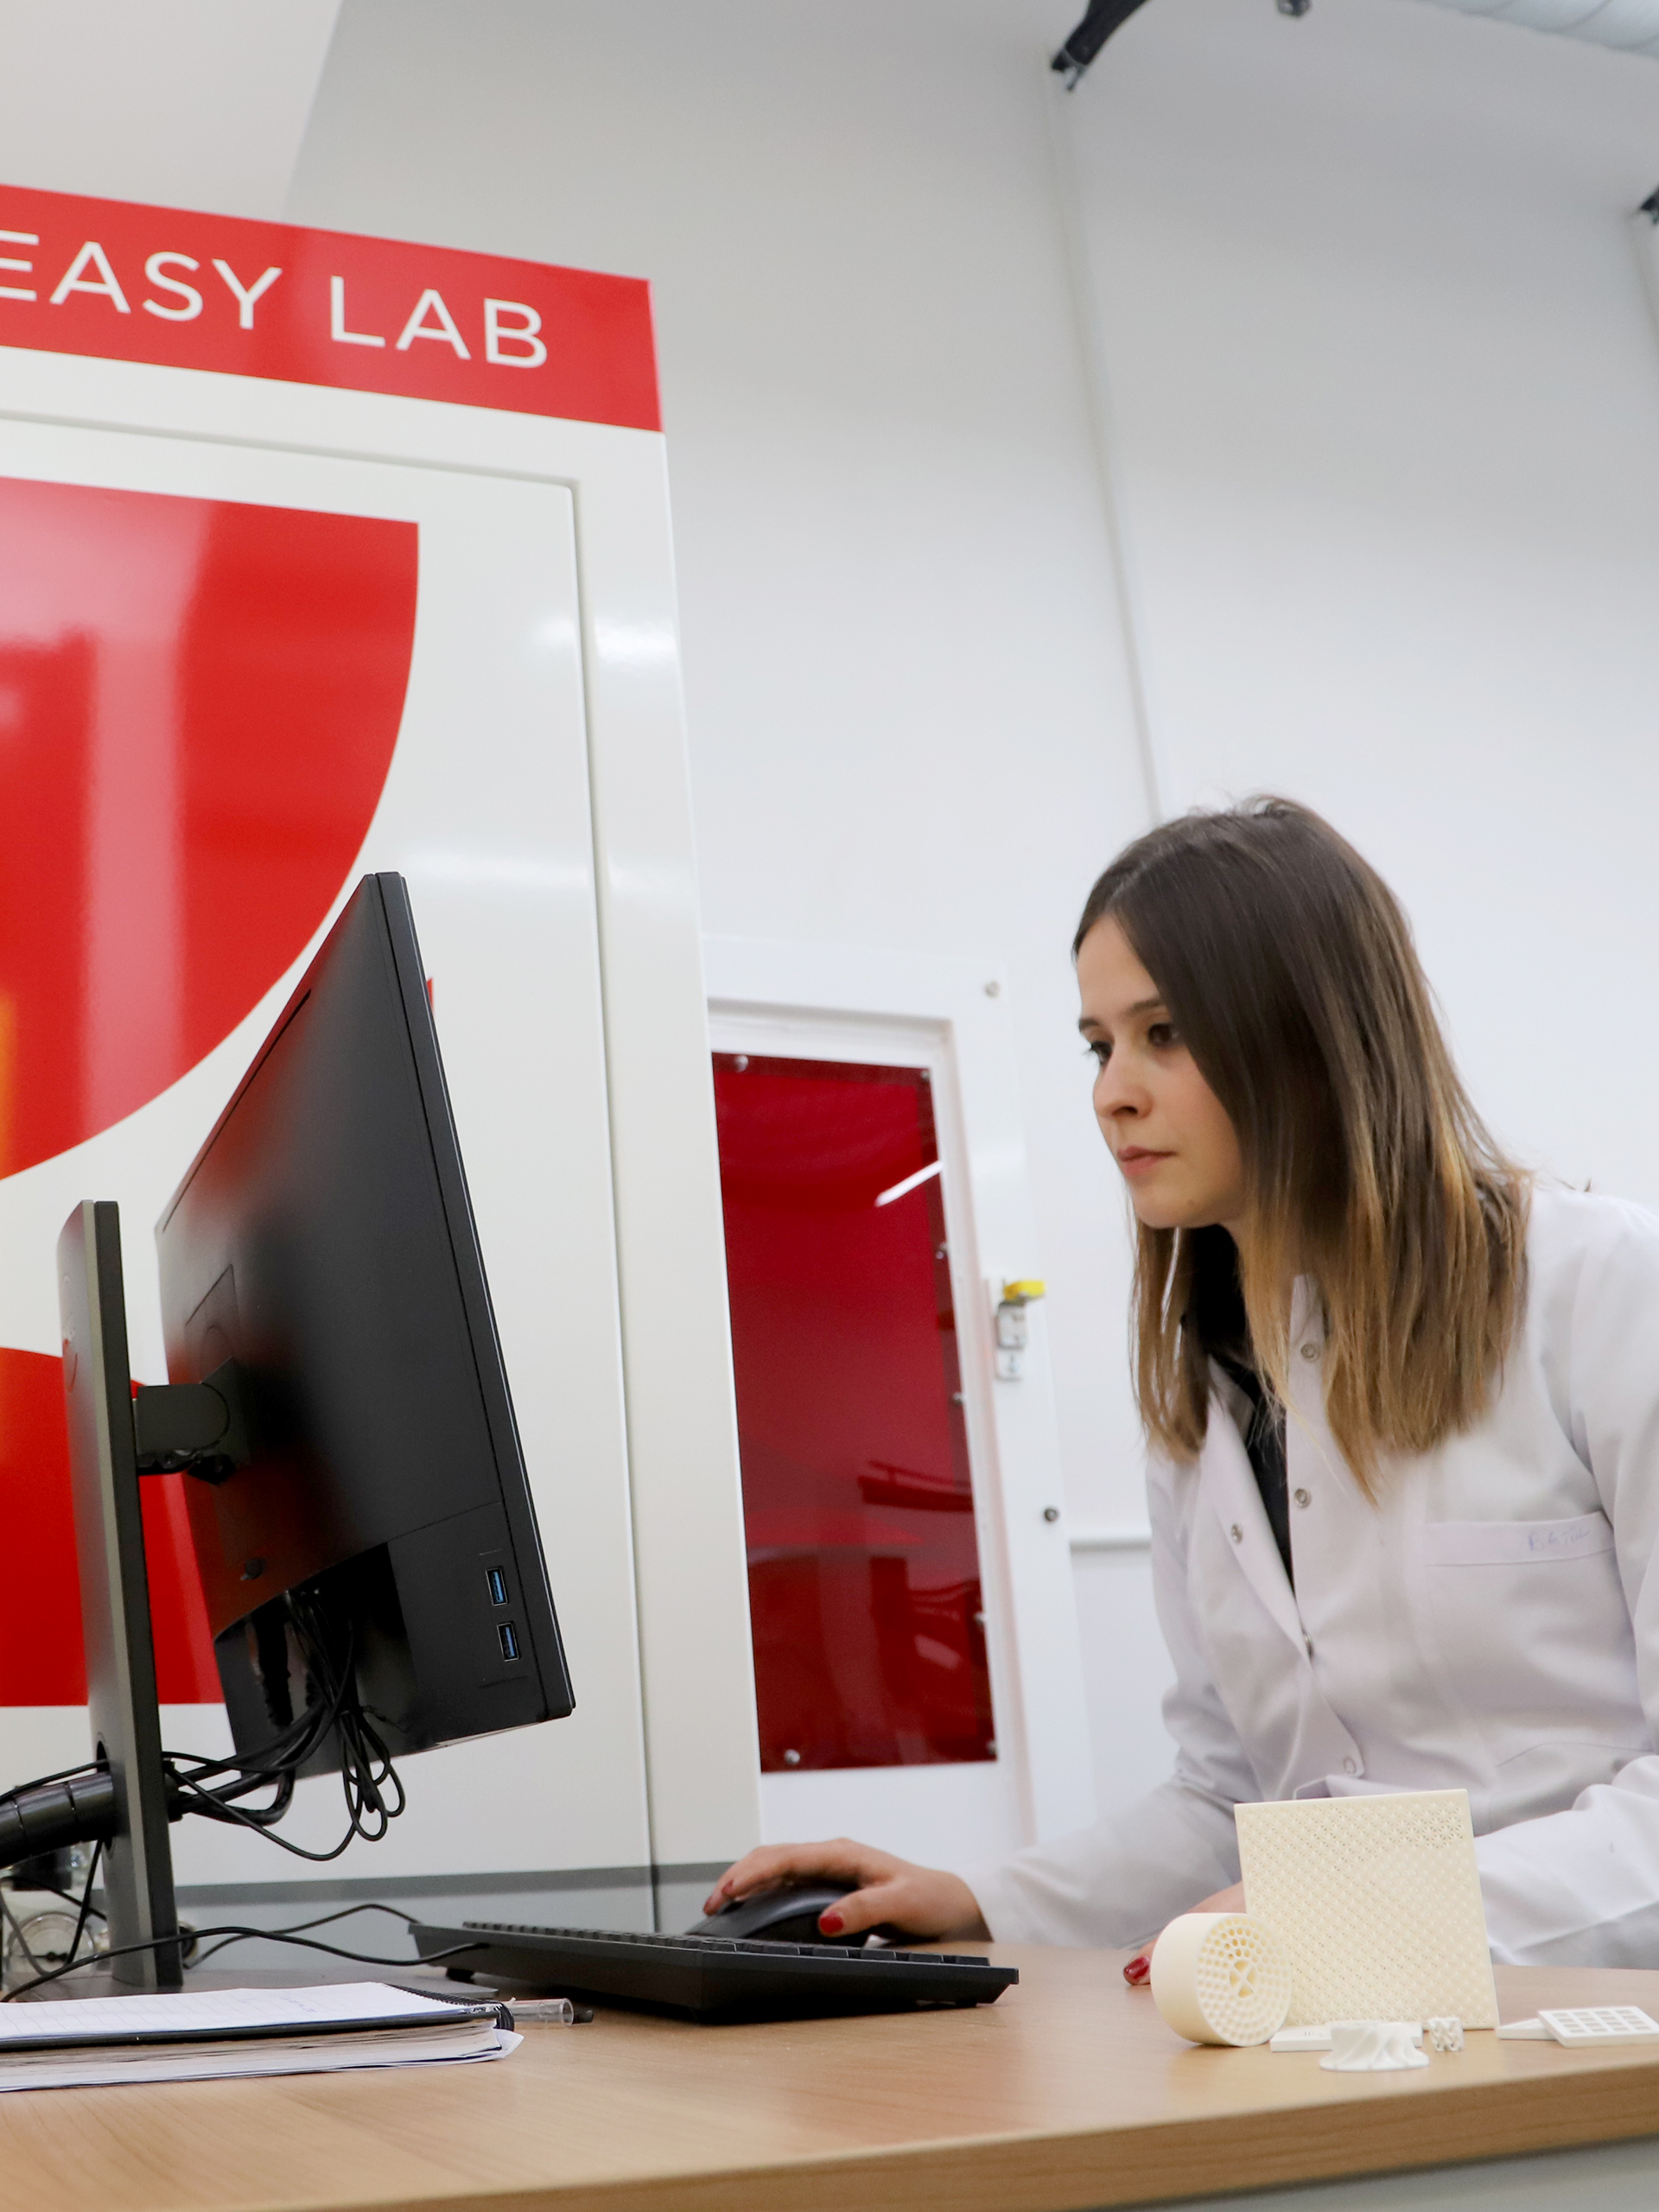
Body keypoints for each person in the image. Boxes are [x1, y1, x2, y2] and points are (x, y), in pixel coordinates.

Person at [708, 797, 1659, 1971]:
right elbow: (1230, 1802)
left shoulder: (1598, 1287)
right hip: (1340, 2027)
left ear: (1308, 1034)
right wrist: (977, 1900)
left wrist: (1366, 1913)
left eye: (1164, 1032)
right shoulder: (1209, 1395)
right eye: (1098, 1045)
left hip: (1587, 2027)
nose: (1112, 1092)